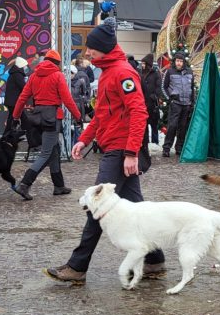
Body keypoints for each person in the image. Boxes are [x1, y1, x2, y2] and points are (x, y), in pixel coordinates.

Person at [44, 18, 165, 283]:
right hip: (114, 148)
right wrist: (84, 139)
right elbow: (100, 117)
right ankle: (155, 260)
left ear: (105, 49)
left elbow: (139, 111)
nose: (87, 53)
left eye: (92, 48)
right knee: (137, 207)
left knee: (97, 208)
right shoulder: (109, 72)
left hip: (120, 151)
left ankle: (77, 267)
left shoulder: (123, 73)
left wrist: (132, 152)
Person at [12, 49, 83, 199]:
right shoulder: (57, 75)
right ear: (56, 63)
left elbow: (22, 97)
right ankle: (24, 184)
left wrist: (15, 116)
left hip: (37, 117)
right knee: (45, 153)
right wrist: (78, 116)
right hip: (52, 118)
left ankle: (59, 186)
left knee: (54, 150)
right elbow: (67, 99)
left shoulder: (34, 75)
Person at [162, 52, 194, 157]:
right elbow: (164, 87)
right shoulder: (169, 71)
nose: (179, 63)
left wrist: (192, 101)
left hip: (186, 104)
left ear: (184, 62)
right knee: (172, 126)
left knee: (183, 127)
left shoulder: (190, 72)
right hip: (175, 103)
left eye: (181, 61)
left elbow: (192, 88)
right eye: (177, 61)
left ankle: (179, 148)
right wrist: (169, 99)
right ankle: (166, 148)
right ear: (174, 61)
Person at [138, 54, 162, 145]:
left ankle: (155, 142)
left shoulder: (155, 74)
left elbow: (159, 86)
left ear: (148, 64)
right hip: (143, 102)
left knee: (154, 124)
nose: (142, 65)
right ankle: (145, 141)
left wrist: (154, 96)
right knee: (144, 124)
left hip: (152, 104)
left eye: (144, 63)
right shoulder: (140, 73)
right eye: (142, 63)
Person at [3, 57, 29, 135]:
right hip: (14, 102)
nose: (26, 68)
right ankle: (29, 133)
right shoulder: (17, 75)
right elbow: (24, 87)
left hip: (12, 101)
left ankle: (7, 135)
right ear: (21, 66)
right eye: (25, 66)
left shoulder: (14, 74)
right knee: (20, 118)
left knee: (13, 118)